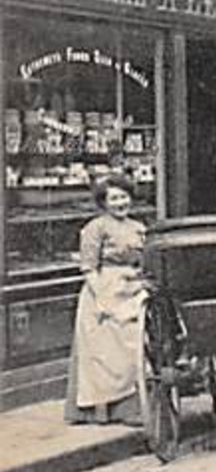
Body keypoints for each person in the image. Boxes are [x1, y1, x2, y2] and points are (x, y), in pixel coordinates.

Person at [65, 173, 147, 425]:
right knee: (107, 350)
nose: (120, 203)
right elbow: (89, 267)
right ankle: (107, 410)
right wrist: (102, 298)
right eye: (114, 198)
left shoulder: (139, 227)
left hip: (133, 288)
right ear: (104, 202)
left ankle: (132, 404)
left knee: (138, 342)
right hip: (103, 290)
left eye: (124, 197)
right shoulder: (95, 228)